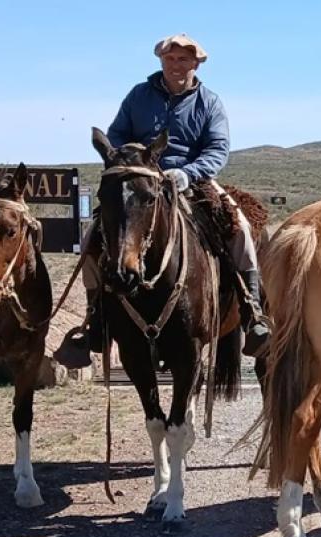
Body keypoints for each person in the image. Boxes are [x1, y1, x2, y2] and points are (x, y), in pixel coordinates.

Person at [58, 33, 271, 366]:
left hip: (192, 180)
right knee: (94, 235)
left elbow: (218, 149)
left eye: (183, 60)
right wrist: (132, 160)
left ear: (196, 64)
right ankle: (95, 319)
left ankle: (252, 312)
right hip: (142, 179)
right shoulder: (138, 96)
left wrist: (189, 171)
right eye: (170, 59)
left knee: (240, 227)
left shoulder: (209, 102)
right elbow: (116, 136)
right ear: (161, 61)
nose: (176, 65)